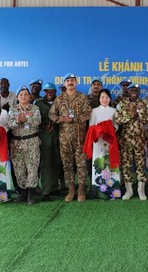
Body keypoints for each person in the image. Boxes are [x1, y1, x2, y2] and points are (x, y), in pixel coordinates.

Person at [49, 73, 91, 202]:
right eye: (68, 81)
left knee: (81, 164)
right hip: (64, 138)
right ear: (65, 84)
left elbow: (88, 113)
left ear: (76, 82)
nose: (70, 82)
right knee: (67, 164)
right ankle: (71, 189)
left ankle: (81, 188)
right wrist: (61, 119)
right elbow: (51, 114)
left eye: (72, 80)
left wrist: (74, 119)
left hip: (80, 136)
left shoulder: (83, 97)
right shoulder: (59, 99)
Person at [116, 83, 148, 200]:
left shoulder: (144, 103)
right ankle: (129, 190)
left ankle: (141, 190)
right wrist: (130, 117)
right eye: (132, 89)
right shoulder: (122, 103)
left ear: (139, 92)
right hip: (125, 139)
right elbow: (118, 119)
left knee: (141, 164)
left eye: (136, 90)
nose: (134, 92)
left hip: (140, 139)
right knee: (126, 164)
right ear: (128, 91)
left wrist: (139, 115)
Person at [83, 89, 121, 200]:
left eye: (107, 97)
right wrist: (100, 130)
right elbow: (91, 126)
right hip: (98, 142)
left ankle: (113, 191)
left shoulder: (113, 111)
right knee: (99, 163)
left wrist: (109, 129)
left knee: (110, 162)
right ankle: (98, 192)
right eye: (102, 97)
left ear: (110, 99)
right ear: (99, 99)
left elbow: (116, 125)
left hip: (110, 141)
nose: (104, 99)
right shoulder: (94, 111)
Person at [7, 86, 41, 205]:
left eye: (26, 94)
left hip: (31, 141)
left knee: (32, 168)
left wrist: (26, 119)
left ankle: (31, 192)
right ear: (17, 97)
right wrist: (17, 121)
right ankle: (23, 191)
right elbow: (8, 124)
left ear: (30, 96)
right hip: (16, 143)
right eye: (21, 95)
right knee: (19, 169)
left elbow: (38, 121)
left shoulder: (35, 108)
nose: (23, 97)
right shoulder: (12, 109)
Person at [35, 82, 63, 201]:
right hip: (44, 138)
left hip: (58, 136)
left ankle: (55, 188)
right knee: (46, 164)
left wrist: (55, 124)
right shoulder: (38, 104)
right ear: (44, 92)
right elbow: (35, 120)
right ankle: (45, 191)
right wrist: (43, 126)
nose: (49, 93)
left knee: (57, 163)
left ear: (55, 92)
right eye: (47, 91)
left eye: (51, 91)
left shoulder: (61, 102)